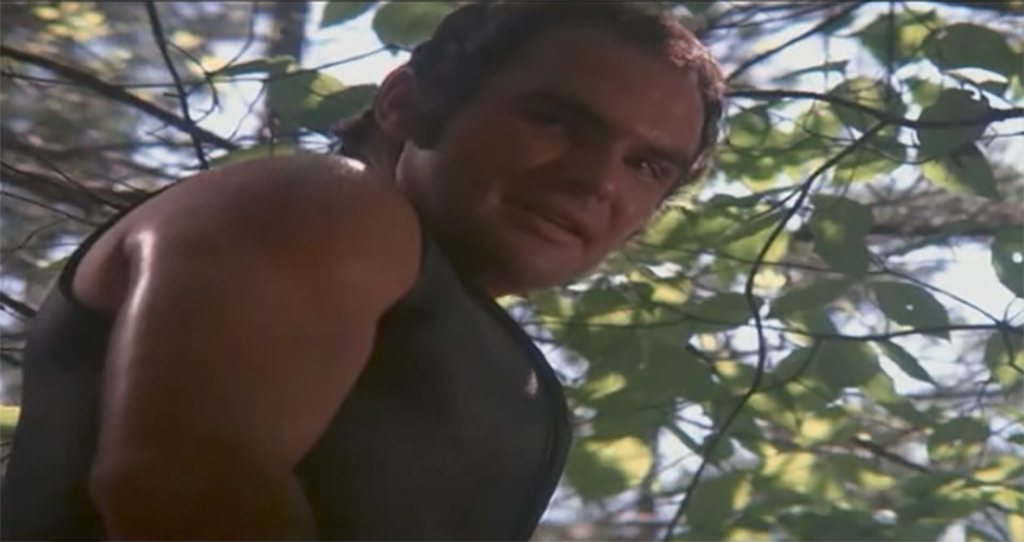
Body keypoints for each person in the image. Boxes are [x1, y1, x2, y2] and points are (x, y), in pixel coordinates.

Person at [0, 1, 725, 540]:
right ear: (407, 103)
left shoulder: (472, 345)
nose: (597, 180)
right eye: (555, 120)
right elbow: (186, 484)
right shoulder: (331, 201)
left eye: (647, 165)